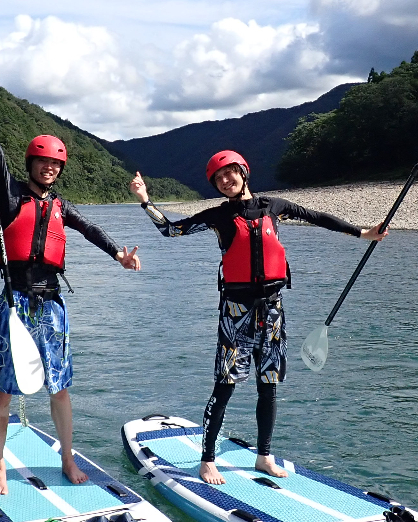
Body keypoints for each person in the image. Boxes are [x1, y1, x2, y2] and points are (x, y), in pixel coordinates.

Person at [129, 151, 386, 485]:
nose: (225, 181)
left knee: (269, 386)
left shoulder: (273, 207)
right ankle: (207, 460)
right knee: (225, 387)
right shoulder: (218, 216)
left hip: (273, 311)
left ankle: (264, 456)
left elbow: (317, 217)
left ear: (243, 172)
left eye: (230, 173)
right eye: (218, 178)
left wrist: (363, 233)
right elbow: (171, 230)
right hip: (236, 314)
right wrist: (145, 200)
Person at [0, 69, 141, 495]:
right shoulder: (10, 197)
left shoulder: (61, 205)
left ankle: (67, 458)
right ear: (31, 164)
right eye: (43, 162)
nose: (49, 168)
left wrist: (118, 254)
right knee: (4, 389)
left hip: (52, 305)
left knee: (59, 388)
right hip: (15, 303)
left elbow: (91, 228)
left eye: (56, 164)